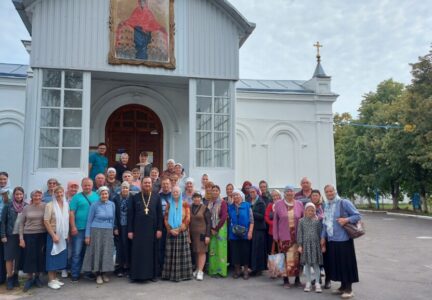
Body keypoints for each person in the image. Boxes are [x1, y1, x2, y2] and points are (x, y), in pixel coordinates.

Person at [321, 184, 361, 299]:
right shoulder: (326, 205)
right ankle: (343, 286)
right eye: (327, 192)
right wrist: (323, 237)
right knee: (338, 264)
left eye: (331, 191)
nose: (329, 193)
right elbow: (325, 223)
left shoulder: (344, 202)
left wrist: (346, 219)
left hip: (344, 240)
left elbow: (357, 216)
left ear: (335, 191)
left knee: (346, 264)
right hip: (332, 240)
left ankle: (349, 289)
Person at [128, 177, 163, 282]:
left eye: (149, 183)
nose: (147, 184)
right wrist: (130, 230)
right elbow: (131, 215)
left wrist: (159, 229)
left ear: (151, 184)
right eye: (145, 183)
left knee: (151, 252)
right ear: (141, 184)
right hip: (138, 230)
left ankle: (152, 275)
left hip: (152, 230)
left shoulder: (156, 197)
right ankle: (135, 275)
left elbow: (160, 215)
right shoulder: (135, 197)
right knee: (137, 252)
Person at [82, 186, 116, 285]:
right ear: (99, 195)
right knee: (97, 252)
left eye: (106, 194)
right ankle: (98, 274)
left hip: (108, 231)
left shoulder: (112, 204)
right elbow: (89, 221)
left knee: (106, 252)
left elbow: (113, 219)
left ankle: (104, 273)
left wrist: (112, 231)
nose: (104, 195)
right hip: (96, 231)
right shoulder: (94, 205)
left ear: (108, 194)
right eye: (102, 194)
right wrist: (87, 235)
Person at [273, 185, 304, 288]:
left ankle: (297, 279)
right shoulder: (278, 204)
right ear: (284, 193)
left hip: (296, 236)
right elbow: (275, 221)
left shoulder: (299, 204)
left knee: (296, 259)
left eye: (291, 191)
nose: (289, 193)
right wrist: (275, 235)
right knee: (285, 258)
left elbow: (303, 219)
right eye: (287, 192)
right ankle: (285, 280)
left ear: (294, 193)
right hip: (284, 236)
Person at [69, 178, 100, 282]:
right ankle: (75, 274)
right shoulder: (76, 198)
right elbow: (72, 213)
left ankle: (87, 272)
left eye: (89, 185)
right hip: (79, 229)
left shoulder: (97, 196)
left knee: (89, 253)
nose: (87, 187)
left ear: (92, 185)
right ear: (82, 186)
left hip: (92, 229)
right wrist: (73, 226)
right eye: (85, 185)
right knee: (76, 252)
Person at [162, 186, 193, 282]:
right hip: (170, 232)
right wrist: (170, 229)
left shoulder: (185, 204)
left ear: (180, 193)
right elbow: (166, 218)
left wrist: (179, 229)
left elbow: (188, 218)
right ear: (172, 193)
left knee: (182, 255)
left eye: (177, 192)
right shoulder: (169, 204)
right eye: (174, 192)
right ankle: (169, 275)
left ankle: (183, 275)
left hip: (181, 232)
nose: (175, 193)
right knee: (170, 254)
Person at [19, 189, 47, 292]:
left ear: (42, 196)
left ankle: (37, 277)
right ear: (32, 197)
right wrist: (21, 238)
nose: (37, 197)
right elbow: (21, 223)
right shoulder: (26, 208)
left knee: (40, 256)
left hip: (41, 234)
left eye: (39, 195)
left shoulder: (45, 206)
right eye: (35, 196)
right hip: (28, 235)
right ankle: (29, 278)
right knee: (29, 257)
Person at [44, 185, 70, 290]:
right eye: (57, 193)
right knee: (52, 256)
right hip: (53, 234)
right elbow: (46, 221)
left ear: (63, 193)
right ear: (54, 194)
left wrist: (66, 234)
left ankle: (55, 278)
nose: (59, 195)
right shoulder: (49, 205)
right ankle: (50, 280)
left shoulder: (66, 204)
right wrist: (53, 235)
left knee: (59, 256)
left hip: (62, 234)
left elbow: (66, 220)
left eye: (61, 192)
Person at [1, 186, 26, 289]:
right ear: (14, 195)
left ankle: (15, 276)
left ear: (23, 195)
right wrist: (3, 235)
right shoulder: (8, 206)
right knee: (9, 258)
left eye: (21, 194)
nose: (19, 196)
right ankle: (10, 278)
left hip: (21, 236)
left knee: (18, 258)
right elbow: (3, 222)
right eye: (17, 194)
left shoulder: (26, 206)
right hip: (10, 235)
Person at [297, 203, 323, 293]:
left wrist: (322, 245)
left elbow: (320, 234)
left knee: (316, 265)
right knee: (307, 264)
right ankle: (308, 282)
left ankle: (317, 283)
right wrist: (300, 245)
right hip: (306, 245)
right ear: (305, 211)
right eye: (309, 210)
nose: (311, 212)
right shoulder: (301, 221)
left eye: (312, 210)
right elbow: (299, 234)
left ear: (315, 211)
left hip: (315, 246)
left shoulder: (317, 221)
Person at [228, 189, 253, 279]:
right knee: (235, 252)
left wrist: (250, 232)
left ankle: (245, 270)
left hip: (245, 233)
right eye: (234, 195)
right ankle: (237, 270)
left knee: (245, 252)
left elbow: (251, 221)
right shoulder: (230, 207)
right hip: (233, 233)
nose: (235, 197)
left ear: (241, 196)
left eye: (237, 195)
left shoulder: (247, 206)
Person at [189, 192, 211, 281]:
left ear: (200, 198)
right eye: (195, 197)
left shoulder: (205, 208)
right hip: (193, 234)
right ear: (192, 199)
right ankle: (197, 269)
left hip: (202, 234)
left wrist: (207, 235)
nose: (196, 199)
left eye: (198, 197)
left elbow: (209, 223)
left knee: (202, 252)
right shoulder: (189, 208)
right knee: (196, 252)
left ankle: (201, 271)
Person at [207, 185, 228, 277]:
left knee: (221, 250)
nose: (214, 192)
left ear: (219, 192)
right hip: (212, 228)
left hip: (220, 228)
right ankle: (213, 270)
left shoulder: (222, 202)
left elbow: (224, 216)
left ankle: (221, 271)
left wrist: (216, 228)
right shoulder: (210, 202)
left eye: (216, 190)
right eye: (213, 190)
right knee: (213, 249)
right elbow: (208, 215)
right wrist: (211, 228)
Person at [113, 181, 132, 277]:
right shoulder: (116, 199)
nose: (125, 189)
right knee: (119, 247)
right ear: (120, 189)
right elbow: (114, 214)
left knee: (128, 246)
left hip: (128, 227)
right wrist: (115, 227)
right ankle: (119, 268)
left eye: (126, 188)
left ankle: (127, 267)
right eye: (123, 188)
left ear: (129, 189)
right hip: (119, 227)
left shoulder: (132, 198)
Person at [249, 186, 267, 276]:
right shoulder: (249, 201)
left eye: (253, 192)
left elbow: (262, 216)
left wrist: (251, 212)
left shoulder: (261, 202)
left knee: (258, 249)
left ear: (257, 192)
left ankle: (258, 269)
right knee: (253, 249)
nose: (252, 193)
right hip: (252, 228)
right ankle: (254, 268)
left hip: (259, 228)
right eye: (250, 192)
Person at [63, 180, 79, 278]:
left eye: (75, 187)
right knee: (67, 249)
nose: (73, 189)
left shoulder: (78, 197)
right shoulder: (63, 198)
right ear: (68, 187)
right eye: (71, 187)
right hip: (65, 227)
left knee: (74, 249)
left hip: (76, 226)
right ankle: (64, 268)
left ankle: (71, 268)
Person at [0, 171, 12, 285]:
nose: (2, 181)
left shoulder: (11, 192)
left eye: (4, 179)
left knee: (6, 252)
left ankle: (5, 277)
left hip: (5, 225)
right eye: (0, 179)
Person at [158, 177, 171, 274]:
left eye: (167, 184)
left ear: (170, 185)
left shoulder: (174, 195)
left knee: (170, 247)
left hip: (171, 225)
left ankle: (170, 269)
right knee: (161, 247)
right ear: (161, 185)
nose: (165, 186)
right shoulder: (157, 196)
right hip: (161, 225)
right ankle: (161, 269)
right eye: (164, 184)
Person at [265, 189, 282, 256]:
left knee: (281, 249)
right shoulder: (270, 205)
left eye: (277, 195)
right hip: (272, 231)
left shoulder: (283, 205)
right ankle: (273, 265)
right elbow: (266, 216)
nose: (275, 197)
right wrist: (273, 224)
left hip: (281, 231)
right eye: (274, 196)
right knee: (272, 249)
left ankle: (281, 264)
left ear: (280, 196)